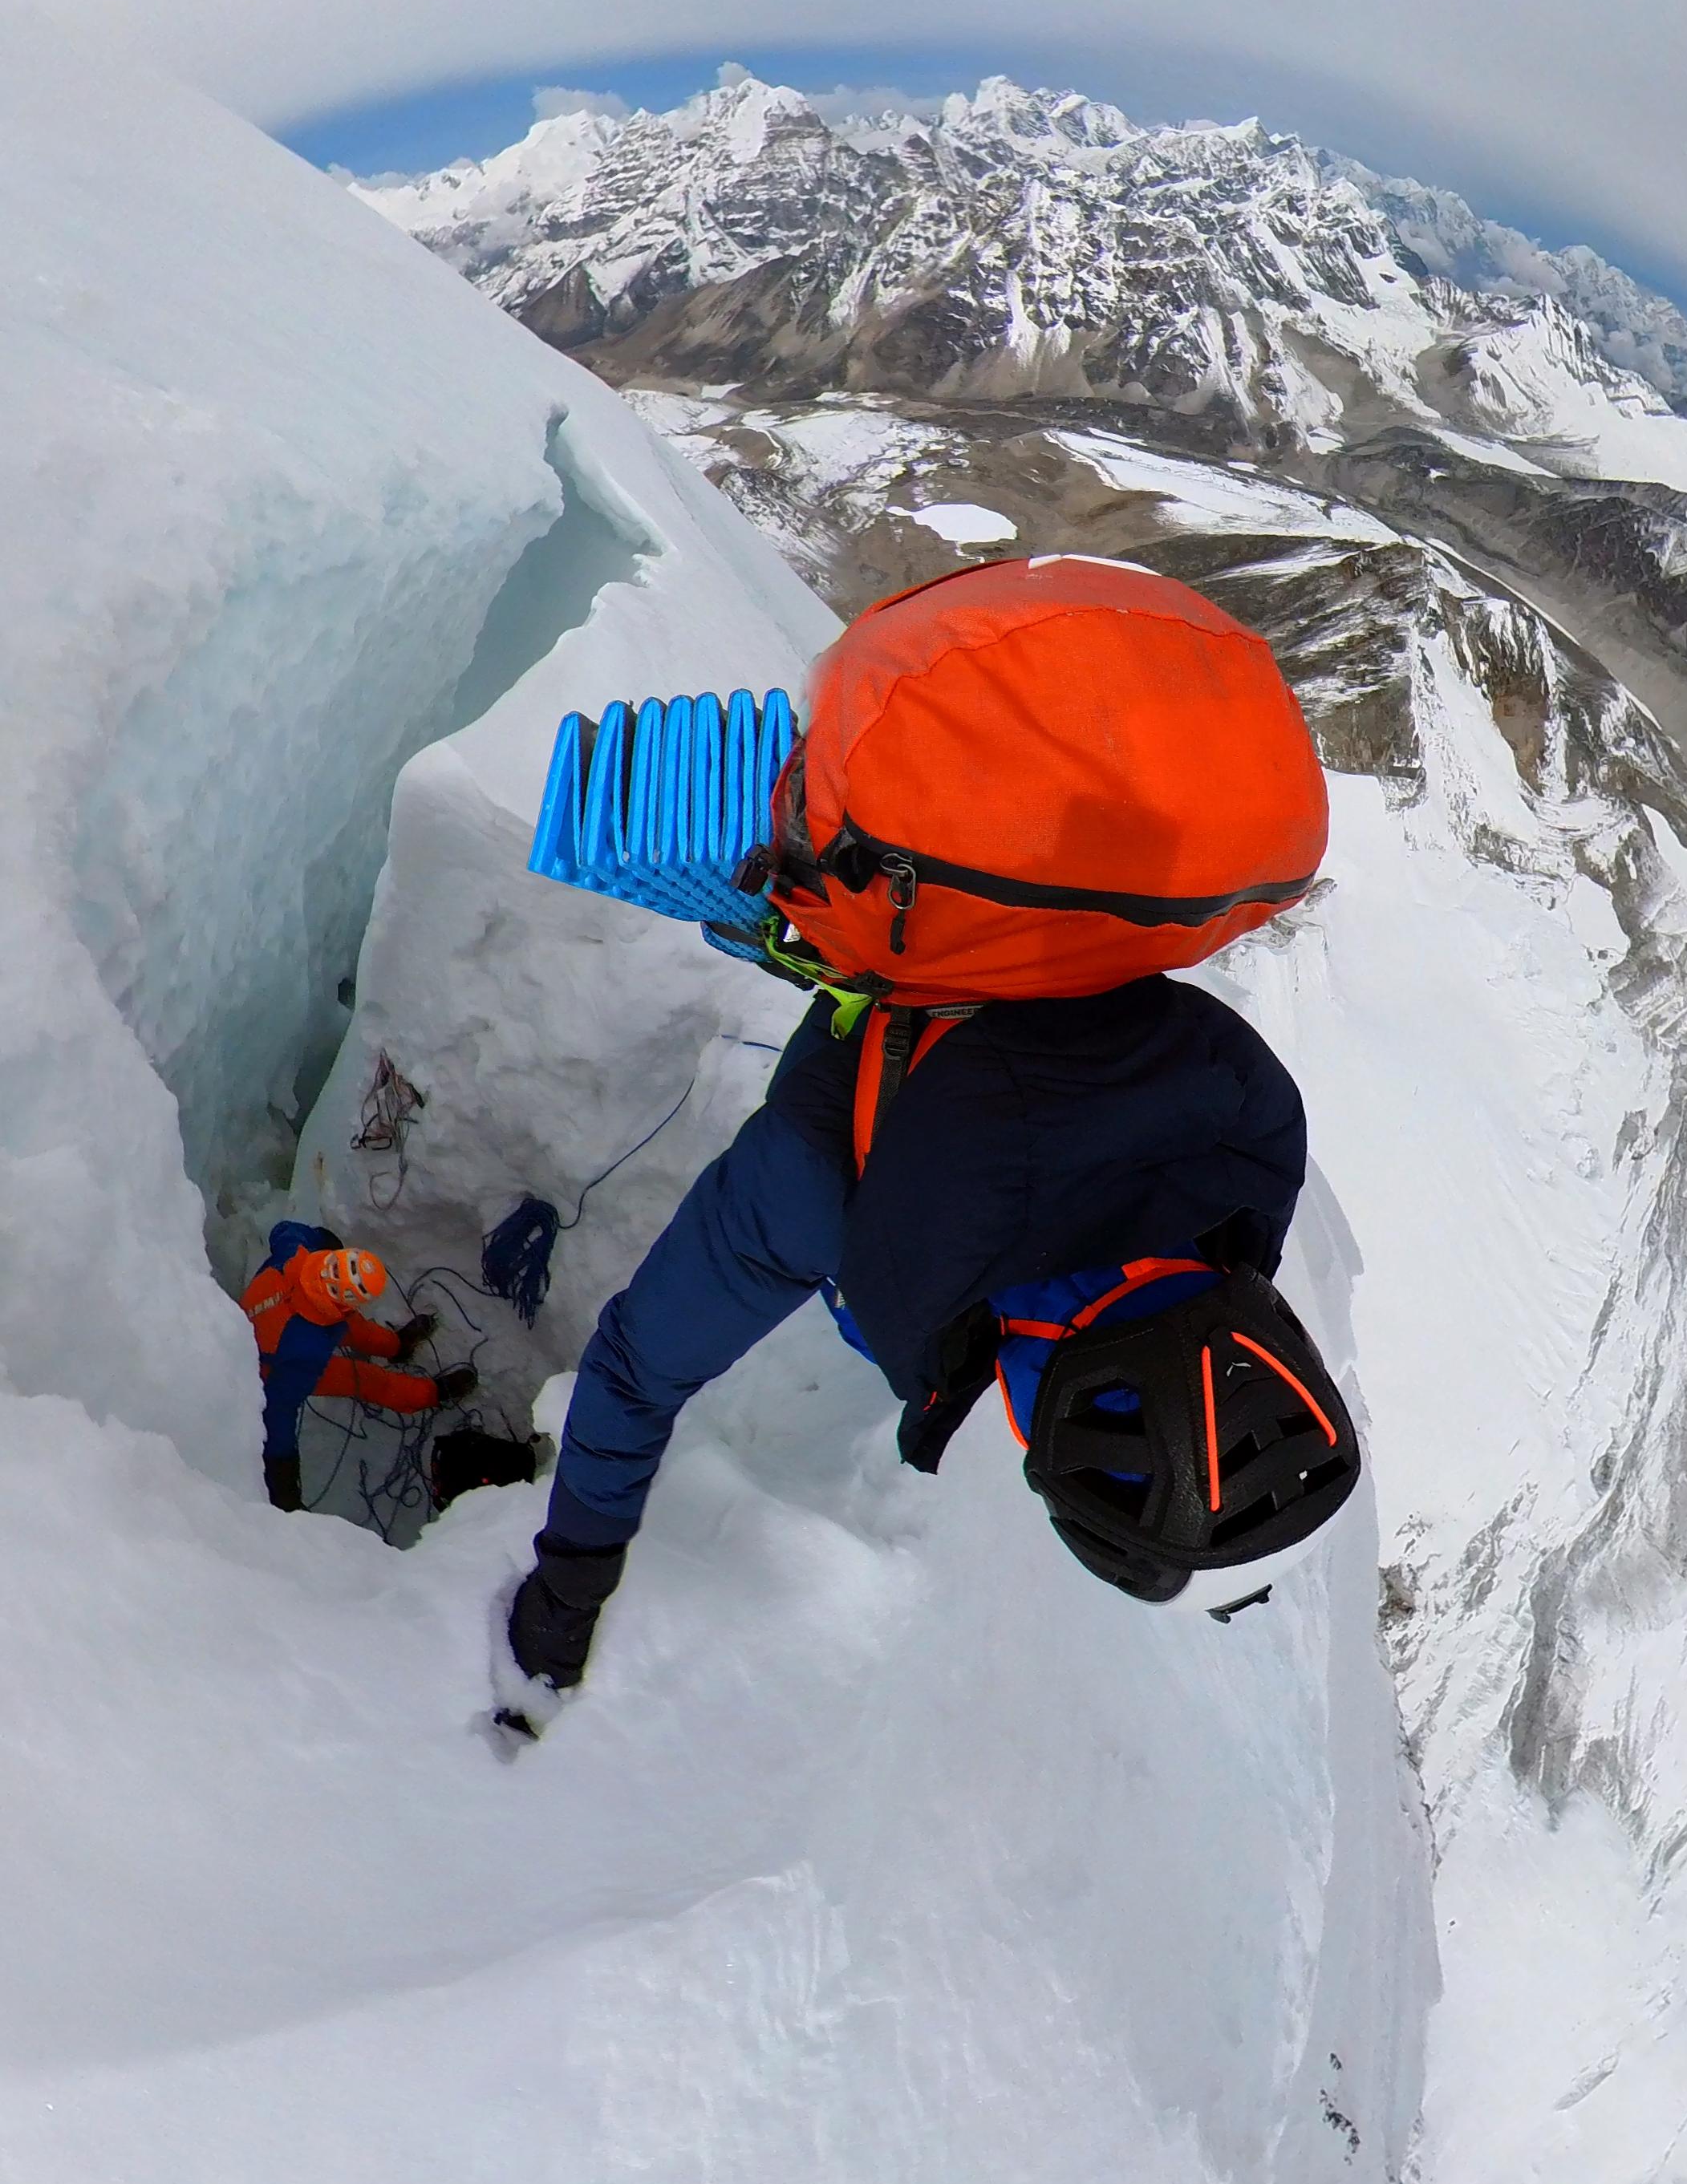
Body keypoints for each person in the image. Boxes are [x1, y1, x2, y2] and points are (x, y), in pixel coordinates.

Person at [506, 557, 1354, 1702]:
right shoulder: (819, 1183)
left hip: (1009, 943)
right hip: (894, 1029)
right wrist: (573, 1576)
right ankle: (834, 919)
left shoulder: (1241, 1147)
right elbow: (633, 1369)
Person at [241, 1221, 475, 1509]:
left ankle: (397, 1346)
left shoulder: (295, 1252)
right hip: (271, 1365)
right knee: (367, 1380)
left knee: (358, 1330)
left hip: (292, 1319)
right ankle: (432, 1393)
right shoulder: (307, 1350)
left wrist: (318, 1238)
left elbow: (283, 1229)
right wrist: (283, 1474)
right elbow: (280, 1408)